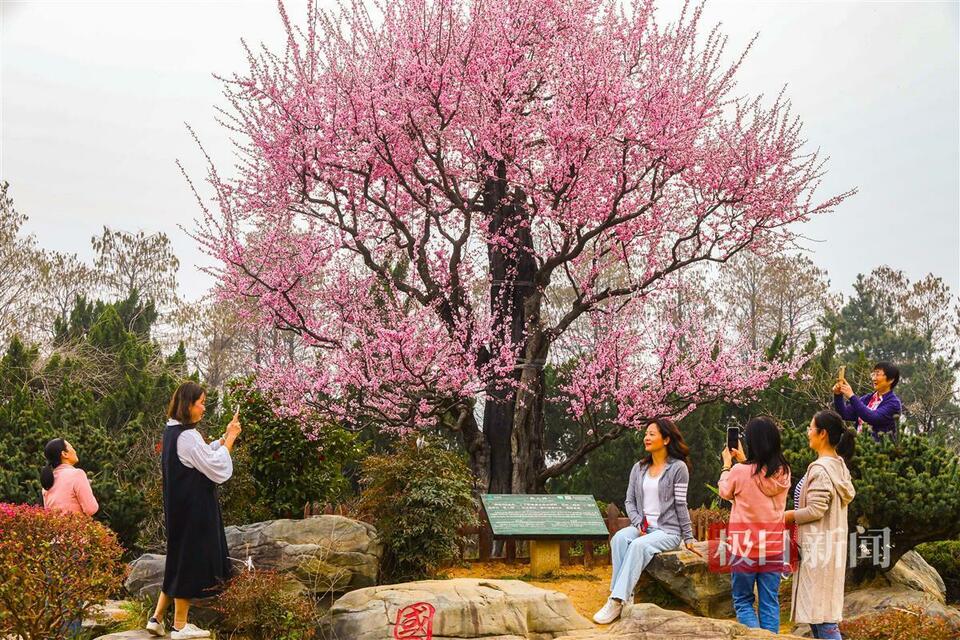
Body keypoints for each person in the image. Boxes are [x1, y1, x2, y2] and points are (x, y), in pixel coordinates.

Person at [146, 382, 241, 640]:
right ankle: (179, 624)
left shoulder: (173, 431)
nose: (204, 408)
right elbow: (215, 466)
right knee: (188, 560)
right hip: (194, 509)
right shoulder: (187, 436)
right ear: (189, 405)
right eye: (201, 403)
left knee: (177, 560)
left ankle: (156, 619)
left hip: (180, 508)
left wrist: (221, 439)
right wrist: (231, 439)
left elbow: (199, 455)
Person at [593, 418, 698, 624]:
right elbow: (629, 500)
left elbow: (680, 504)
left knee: (638, 546)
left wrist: (688, 537)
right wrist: (638, 522)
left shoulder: (678, 469)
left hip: (669, 532)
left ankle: (615, 599)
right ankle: (627, 596)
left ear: (666, 439)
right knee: (619, 539)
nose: (646, 438)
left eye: (652, 434)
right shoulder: (638, 468)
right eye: (646, 433)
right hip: (644, 527)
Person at [784, 410, 856, 640]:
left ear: (822, 434)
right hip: (828, 548)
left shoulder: (821, 469)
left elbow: (816, 509)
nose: (808, 432)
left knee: (823, 620)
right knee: (820, 618)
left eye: (811, 427)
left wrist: (787, 516)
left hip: (818, 551)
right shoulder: (838, 466)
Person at [718, 416, 791, 634]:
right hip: (773, 548)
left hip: (744, 548)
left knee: (743, 601)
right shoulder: (784, 471)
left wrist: (726, 466)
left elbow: (725, 491)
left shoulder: (739, 472)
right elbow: (760, 473)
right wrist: (742, 461)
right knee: (769, 603)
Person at [833, 361, 901, 441]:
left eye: (877, 374)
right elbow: (844, 414)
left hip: (878, 451)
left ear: (891, 380)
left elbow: (872, 417)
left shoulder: (893, 403)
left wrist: (852, 396)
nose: (873, 378)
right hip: (859, 447)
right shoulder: (868, 398)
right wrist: (838, 395)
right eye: (873, 374)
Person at [41, 438, 99, 516]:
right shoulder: (77, 474)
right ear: (65, 454)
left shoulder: (48, 481)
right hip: (76, 526)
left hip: (55, 527)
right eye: (71, 447)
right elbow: (91, 509)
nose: (74, 450)